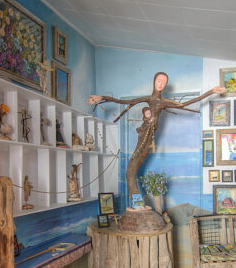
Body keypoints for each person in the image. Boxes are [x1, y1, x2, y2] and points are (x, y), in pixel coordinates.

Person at [88, 72, 223, 199]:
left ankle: (137, 204)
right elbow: (122, 102)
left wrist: (211, 92)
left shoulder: (163, 102)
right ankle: (136, 203)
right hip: (144, 132)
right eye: (159, 81)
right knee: (131, 169)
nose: (161, 84)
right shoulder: (148, 99)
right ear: (154, 82)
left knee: (134, 166)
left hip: (150, 135)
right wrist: (101, 98)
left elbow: (184, 104)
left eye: (164, 82)